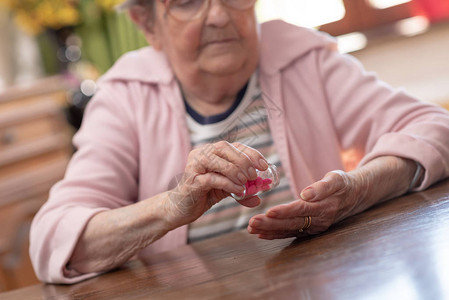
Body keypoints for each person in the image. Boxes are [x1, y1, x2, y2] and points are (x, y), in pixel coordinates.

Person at [30, 0, 449, 284]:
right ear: (147, 24)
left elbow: (435, 128)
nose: (218, 16)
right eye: (188, 0)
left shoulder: (303, 57)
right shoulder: (125, 96)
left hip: (316, 285)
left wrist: (358, 189)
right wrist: (173, 205)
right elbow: (53, 239)